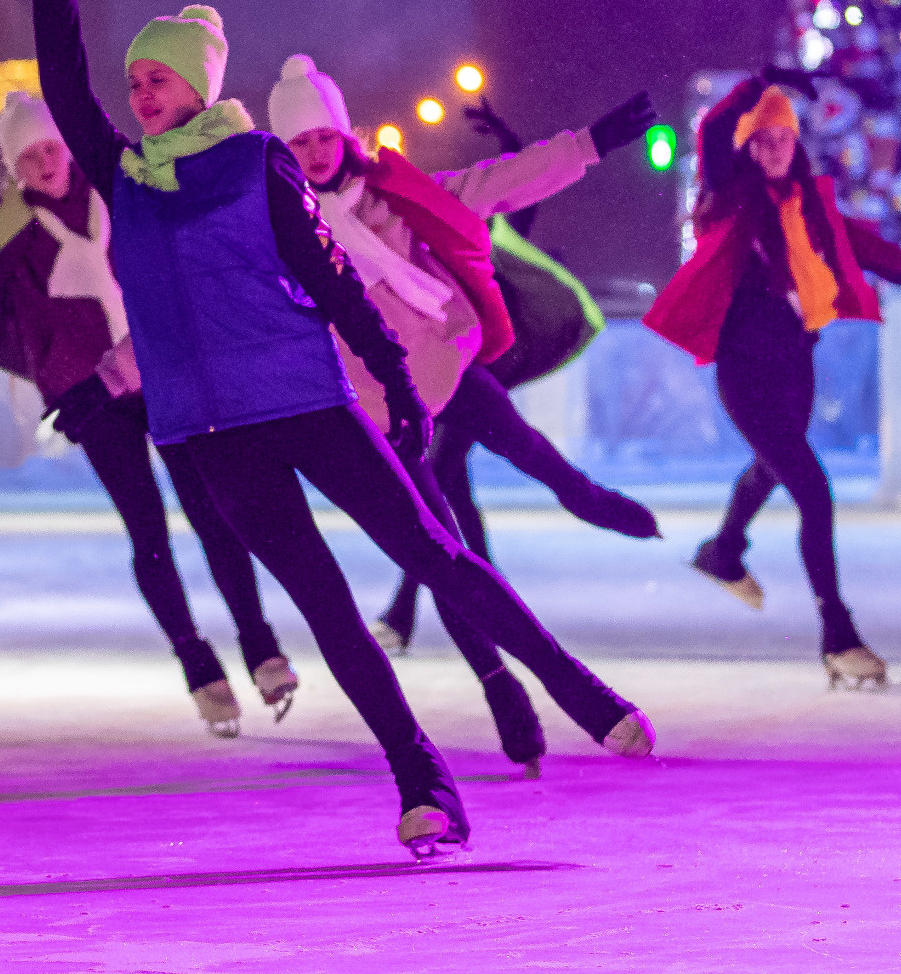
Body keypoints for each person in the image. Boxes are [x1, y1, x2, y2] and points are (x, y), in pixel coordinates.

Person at [34, 0, 650, 859]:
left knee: (435, 554)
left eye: (159, 79)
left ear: (199, 85)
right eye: (135, 81)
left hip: (308, 401)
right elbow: (67, 89)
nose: (142, 94)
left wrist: (400, 389)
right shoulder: (127, 176)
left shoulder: (255, 165)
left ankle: (573, 684)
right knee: (326, 609)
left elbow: (328, 279)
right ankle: (423, 785)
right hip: (209, 430)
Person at [0, 42, 300, 735]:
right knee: (148, 529)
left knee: (214, 509)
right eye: (32, 155)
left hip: (157, 370)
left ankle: (260, 644)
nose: (48, 160)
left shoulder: (114, 191)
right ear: (15, 166)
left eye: (53, 149)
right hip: (88, 395)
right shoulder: (5, 227)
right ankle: (197, 663)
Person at [266, 52, 662, 774]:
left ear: (343, 134)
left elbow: (492, 185)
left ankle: (588, 497)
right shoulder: (285, 230)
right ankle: (501, 686)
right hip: (384, 411)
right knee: (447, 553)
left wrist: (588, 145)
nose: (315, 152)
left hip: (446, 363)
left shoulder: (396, 194)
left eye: (323, 136)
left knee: (530, 450)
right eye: (298, 143)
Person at [643, 70, 901, 687]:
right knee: (813, 490)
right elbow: (715, 129)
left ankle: (723, 551)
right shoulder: (730, 202)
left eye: (783, 137)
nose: (773, 148)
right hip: (744, 368)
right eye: (762, 139)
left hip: (795, 363)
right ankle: (839, 633)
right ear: (747, 149)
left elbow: (876, 251)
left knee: (771, 468)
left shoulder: (814, 211)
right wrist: (762, 84)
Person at [364, 89, 660, 665]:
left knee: (447, 492)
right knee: (449, 492)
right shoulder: (402, 241)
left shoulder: (476, 229)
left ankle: (430, 607)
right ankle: (461, 598)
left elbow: (509, 184)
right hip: (436, 377)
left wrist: (512, 137)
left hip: (475, 369)